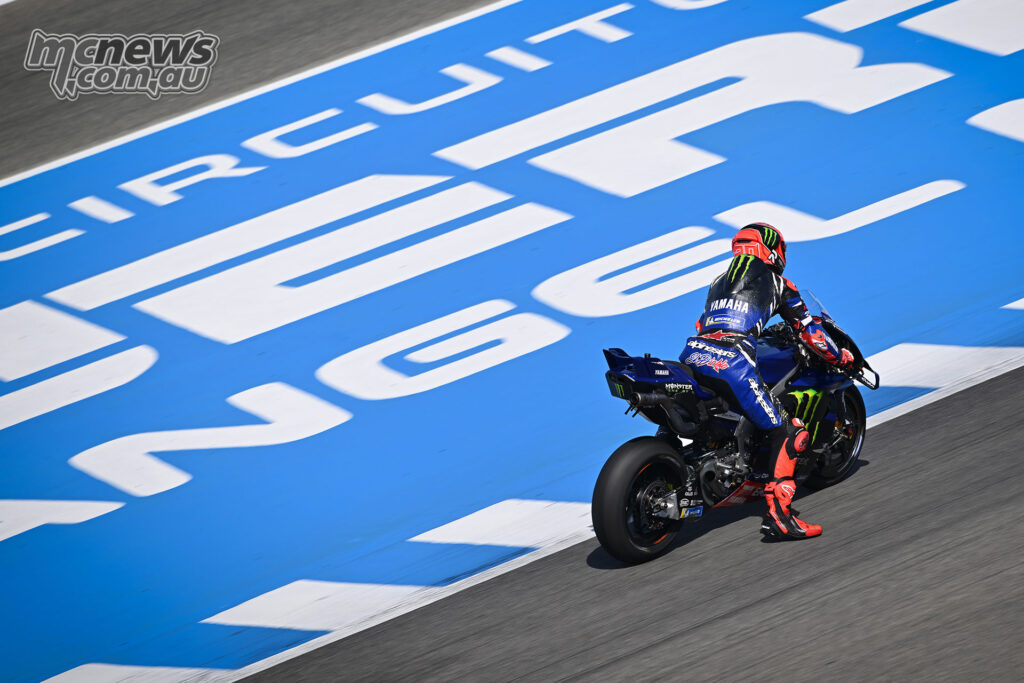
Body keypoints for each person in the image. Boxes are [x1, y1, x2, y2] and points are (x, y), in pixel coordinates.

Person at [681, 222, 854, 540]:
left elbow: (703, 323)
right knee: (788, 430)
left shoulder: (718, 283)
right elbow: (811, 333)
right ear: (773, 251)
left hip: (693, 356)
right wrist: (839, 356)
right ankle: (780, 516)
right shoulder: (778, 283)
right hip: (732, 363)